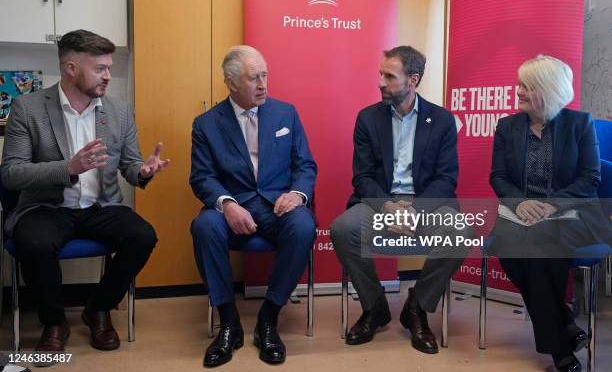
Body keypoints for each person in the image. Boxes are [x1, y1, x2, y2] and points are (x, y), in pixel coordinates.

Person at [0, 30, 169, 361]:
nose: (108, 76)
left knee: (143, 236)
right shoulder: (28, 107)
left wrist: (142, 172)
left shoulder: (118, 112)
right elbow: (11, 173)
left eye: (109, 67)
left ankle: (98, 308)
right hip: (46, 207)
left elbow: (130, 163)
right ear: (71, 68)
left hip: (100, 205)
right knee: (33, 241)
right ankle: (54, 323)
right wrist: (69, 167)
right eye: (100, 68)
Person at [331, 46, 471, 354]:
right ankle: (374, 306)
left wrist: (414, 211)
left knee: (461, 232)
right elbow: (362, 177)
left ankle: (417, 307)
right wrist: (389, 208)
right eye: (380, 74)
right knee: (343, 229)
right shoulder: (367, 119)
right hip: (382, 202)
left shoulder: (443, 120)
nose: (380, 82)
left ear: (413, 80)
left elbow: (446, 180)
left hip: (425, 205)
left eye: (389, 76)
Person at [190, 45, 317, 367]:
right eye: (253, 78)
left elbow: (305, 165)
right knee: (204, 225)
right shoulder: (206, 124)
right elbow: (202, 178)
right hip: (235, 205)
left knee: (303, 226)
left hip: (278, 205)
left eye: (265, 75)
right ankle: (229, 322)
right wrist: (227, 204)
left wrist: (298, 195)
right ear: (232, 84)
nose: (263, 84)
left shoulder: (286, 113)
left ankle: (268, 319)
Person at [489, 55, 611, 372]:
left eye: (526, 86)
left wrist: (550, 204)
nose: (518, 92)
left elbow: (590, 178)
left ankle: (559, 349)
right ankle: (565, 324)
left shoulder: (579, 124)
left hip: (571, 214)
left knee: (542, 245)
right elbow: (498, 177)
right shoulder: (507, 126)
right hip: (520, 214)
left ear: (547, 89)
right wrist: (521, 203)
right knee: (507, 247)